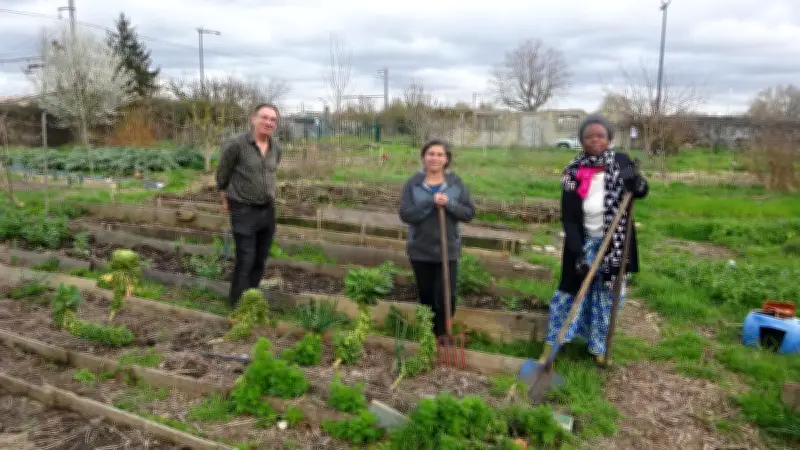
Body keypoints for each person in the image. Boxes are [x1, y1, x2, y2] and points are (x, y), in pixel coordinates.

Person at [540, 115, 649, 366]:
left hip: (614, 243)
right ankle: (553, 346)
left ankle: (598, 347)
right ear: (581, 141)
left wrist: (637, 183)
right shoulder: (573, 171)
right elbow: (569, 217)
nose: (595, 140)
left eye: (600, 135)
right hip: (582, 239)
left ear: (609, 139)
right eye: (589, 136)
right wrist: (578, 254)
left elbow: (641, 192)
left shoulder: (620, 162)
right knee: (568, 293)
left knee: (606, 294)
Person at [399, 139, 475, 336]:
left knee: (446, 296)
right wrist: (430, 203)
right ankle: (428, 335)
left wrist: (449, 204)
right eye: (431, 154)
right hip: (420, 249)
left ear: (446, 159)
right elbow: (406, 214)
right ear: (424, 157)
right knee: (426, 297)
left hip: (447, 249)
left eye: (440, 154)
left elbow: (468, 213)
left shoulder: (456, 184)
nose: (435, 158)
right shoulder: (413, 184)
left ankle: (442, 335)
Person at [215, 103, 281, 307]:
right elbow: (222, 173)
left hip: (267, 210)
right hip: (243, 209)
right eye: (265, 117)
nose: (268, 122)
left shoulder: (276, 147)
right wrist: (224, 197)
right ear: (254, 119)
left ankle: (250, 301)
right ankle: (236, 305)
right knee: (246, 259)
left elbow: (271, 172)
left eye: (273, 120)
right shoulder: (237, 144)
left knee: (260, 259)